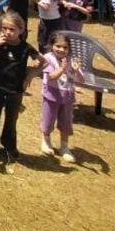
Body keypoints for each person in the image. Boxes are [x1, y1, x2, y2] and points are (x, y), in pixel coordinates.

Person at [0, 11, 37, 164]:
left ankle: (9, 145)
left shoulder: (25, 48)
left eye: (12, 29)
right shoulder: (0, 44)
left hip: (15, 88)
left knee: (11, 118)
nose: (7, 32)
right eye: (4, 28)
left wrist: (30, 75)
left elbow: (43, 61)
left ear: (21, 30)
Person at [39, 33, 83, 162]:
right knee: (48, 119)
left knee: (66, 122)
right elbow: (51, 77)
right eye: (58, 46)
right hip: (51, 94)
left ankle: (64, 146)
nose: (61, 50)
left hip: (67, 96)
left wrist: (76, 70)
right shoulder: (48, 58)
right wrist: (63, 69)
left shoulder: (71, 60)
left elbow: (81, 80)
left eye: (65, 47)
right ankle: (46, 141)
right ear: (51, 45)